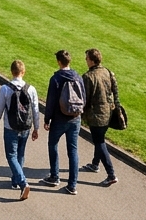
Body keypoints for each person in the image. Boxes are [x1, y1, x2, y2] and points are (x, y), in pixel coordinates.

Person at [0, 59, 40, 201]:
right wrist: (36, 127)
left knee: (11, 156)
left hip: (10, 126)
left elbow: (0, 106)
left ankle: (22, 182)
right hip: (25, 127)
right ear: (23, 72)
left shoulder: (5, 89)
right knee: (20, 153)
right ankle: (15, 181)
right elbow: (35, 110)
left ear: (11, 72)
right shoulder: (31, 89)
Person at [41, 49, 83, 195]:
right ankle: (72, 185)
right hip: (75, 118)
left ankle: (54, 176)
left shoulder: (56, 79)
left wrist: (47, 119)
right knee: (73, 150)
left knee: (53, 145)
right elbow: (83, 96)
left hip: (59, 119)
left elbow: (51, 101)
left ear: (59, 62)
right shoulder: (78, 77)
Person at [81, 48, 119, 187]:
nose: (85, 60)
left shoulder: (88, 77)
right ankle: (95, 164)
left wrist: (81, 113)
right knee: (100, 138)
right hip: (108, 113)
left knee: (99, 142)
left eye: (87, 58)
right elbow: (115, 91)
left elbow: (85, 98)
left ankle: (111, 174)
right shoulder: (107, 72)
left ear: (91, 60)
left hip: (96, 115)